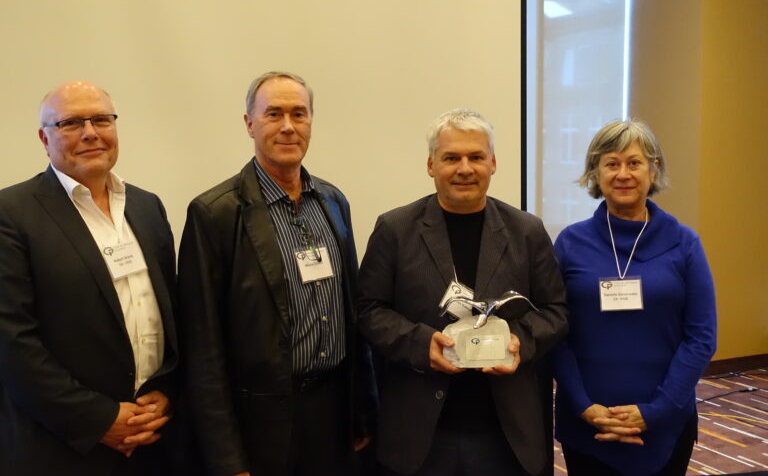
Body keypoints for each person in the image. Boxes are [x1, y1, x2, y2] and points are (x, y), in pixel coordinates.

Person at [178, 71, 377, 476]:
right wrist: (226, 457)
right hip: (261, 423)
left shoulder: (333, 201)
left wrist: (362, 411)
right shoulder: (214, 213)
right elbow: (203, 349)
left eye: (299, 114)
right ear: (249, 123)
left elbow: (353, 314)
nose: (288, 126)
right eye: (274, 114)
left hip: (334, 412)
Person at [357, 108, 568, 476]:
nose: (465, 168)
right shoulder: (395, 229)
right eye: (451, 158)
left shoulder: (527, 231)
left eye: (476, 157)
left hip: (504, 433)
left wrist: (518, 341)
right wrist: (422, 344)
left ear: (493, 163)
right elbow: (369, 310)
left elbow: (556, 311)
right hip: (421, 433)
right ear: (430, 165)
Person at [0, 80, 179, 475]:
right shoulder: (11, 215)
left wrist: (167, 391)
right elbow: (12, 344)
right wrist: (99, 420)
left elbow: (173, 315)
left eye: (101, 119)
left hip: (154, 442)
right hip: (62, 448)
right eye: (71, 123)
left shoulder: (147, 207)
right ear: (44, 138)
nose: (91, 133)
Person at [552, 119, 717, 476]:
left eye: (634, 162)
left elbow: (701, 337)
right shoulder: (569, 243)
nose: (623, 173)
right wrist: (584, 406)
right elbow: (555, 333)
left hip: (665, 418)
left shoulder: (684, 243)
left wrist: (655, 411)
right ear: (596, 172)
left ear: (653, 169)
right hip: (587, 421)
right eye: (611, 163)